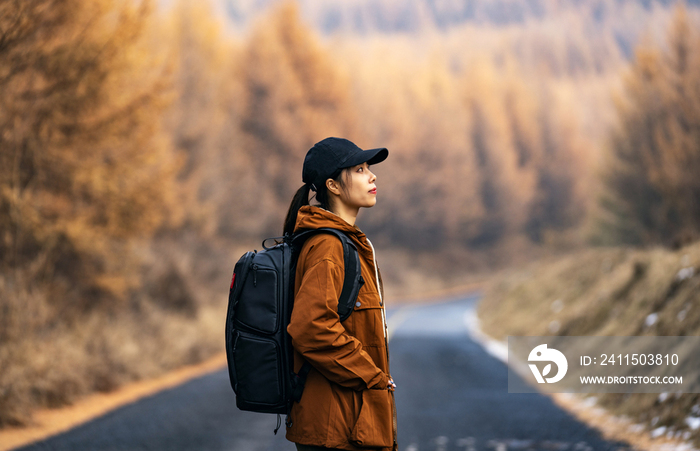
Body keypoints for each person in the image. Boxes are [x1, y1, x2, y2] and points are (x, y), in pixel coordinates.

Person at [283, 137, 397, 451]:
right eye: (360, 170)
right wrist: (371, 376)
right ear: (333, 185)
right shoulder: (328, 246)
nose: (372, 176)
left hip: (349, 419)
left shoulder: (344, 243)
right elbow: (311, 328)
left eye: (369, 169)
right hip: (335, 425)